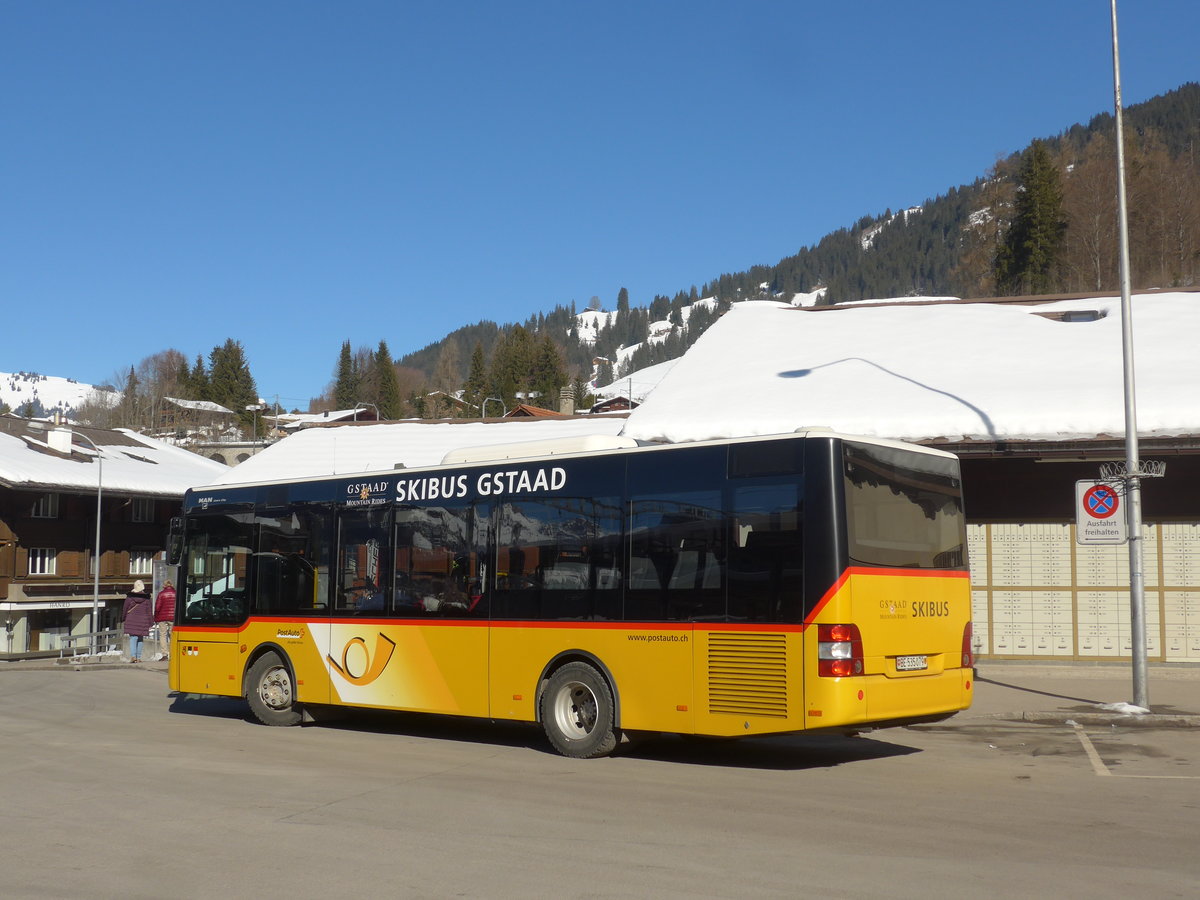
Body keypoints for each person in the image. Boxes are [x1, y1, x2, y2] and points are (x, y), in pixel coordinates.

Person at [122, 580, 153, 663]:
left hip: (131, 619)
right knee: (140, 638)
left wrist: (123, 618)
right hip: (143, 620)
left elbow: (125, 609)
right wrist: (151, 622)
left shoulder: (130, 597)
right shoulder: (147, 598)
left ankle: (133, 656)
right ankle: (138, 657)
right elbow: (149, 611)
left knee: (133, 638)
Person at [153, 579, 176, 661]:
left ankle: (165, 654)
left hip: (162, 617)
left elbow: (157, 607)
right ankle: (173, 653)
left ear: (164, 585)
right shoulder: (176, 593)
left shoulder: (161, 594)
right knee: (172, 635)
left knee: (163, 635)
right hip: (173, 617)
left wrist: (155, 617)